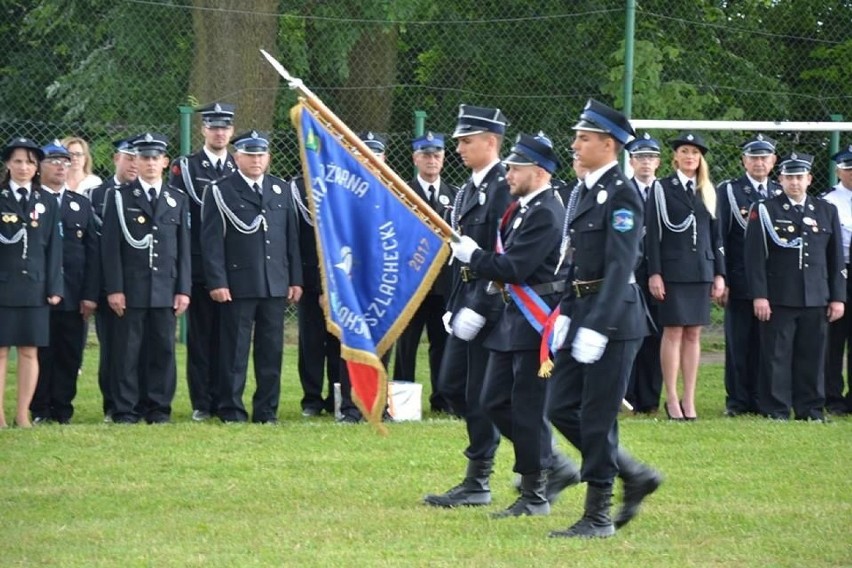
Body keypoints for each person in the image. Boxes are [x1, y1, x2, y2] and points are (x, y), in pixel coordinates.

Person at [546, 99, 662, 539]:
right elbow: (576, 263)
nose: (575, 145)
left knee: (596, 417)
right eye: (577, 137)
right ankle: (634, 473)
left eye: (584, 138)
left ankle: (597, 515)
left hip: (614, 320)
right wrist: (567, 314)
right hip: (582, 312)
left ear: (609, 144)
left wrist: (598, 324)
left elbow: (621, 264)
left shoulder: (622, 192)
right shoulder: (587, 190)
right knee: (559, 405)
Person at [450, 132, 580, 517]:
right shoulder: (521, 209)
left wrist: (475, 256)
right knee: (493, 401)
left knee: (527, 408)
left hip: (535, 320)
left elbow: (516, 268)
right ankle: (551, 464)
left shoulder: (546, 212)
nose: (507, 173)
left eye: (515, 167)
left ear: (538, 172)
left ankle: (535, 492)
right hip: (513, 319)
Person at [423, 104, 510, 507]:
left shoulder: (504, 186)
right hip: (466, 298)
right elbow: (462, 253)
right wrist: (456, 301)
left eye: (466, 141)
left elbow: (504, 254)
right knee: (453, 386)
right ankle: (485, 473)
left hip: (493, 305)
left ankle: (484, 477)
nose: (458, 148)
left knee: (481, 393)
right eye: (458, 141)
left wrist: (482, 303)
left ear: (491, 142)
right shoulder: (467, 189)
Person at [201, 130, 302, 424]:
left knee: (271, 352)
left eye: (261, 155)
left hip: (274, 283)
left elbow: (290, 238)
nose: (256, 160)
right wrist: (218, 281)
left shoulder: (280, 189)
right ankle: (231, 409)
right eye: (250, 154)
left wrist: (294, 279)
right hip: (238, 283)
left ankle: (267, 411)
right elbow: (211, 243)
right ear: (237, 158)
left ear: (268, 157)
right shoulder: (221, 190)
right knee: (234, 351)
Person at [745, 153, 845, 421]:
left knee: (812, 357)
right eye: (789, 177)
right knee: (776, 356)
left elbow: (835, 260)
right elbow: (754, 259)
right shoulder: (765, 209)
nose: (795, 182)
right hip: (779, 296)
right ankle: (776, 408)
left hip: (816, 296)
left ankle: (810, 409)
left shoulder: (826, 210)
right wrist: (760, 296)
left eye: (800, 177)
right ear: (781, 179)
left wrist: (837, 298)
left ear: (809, 179)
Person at [101, 133, 191, 424]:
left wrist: (183, 289)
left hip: (166, 286)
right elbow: (111, 248)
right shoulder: (119, 197)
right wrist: (114, 288)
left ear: (165, 162)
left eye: (155, 158)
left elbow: (183, 249)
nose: (150, 163)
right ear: (135, 161)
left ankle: (158, 408)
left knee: (163, 350)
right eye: (144, 157)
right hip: (132, 286)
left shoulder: (176, 198)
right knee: (127, 351)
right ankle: (125, 408)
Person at [646, 131, 725, 421]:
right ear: (675, 157)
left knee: (694, 333)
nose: (689, 156)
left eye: (694, 152)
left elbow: (716, 237)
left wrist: (720, 274)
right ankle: (672, 399)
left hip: (701, 269)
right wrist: (655, 272)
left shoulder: (707, 189)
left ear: (700, 158)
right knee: (674, 331)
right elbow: (652, 235)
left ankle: (689, 400)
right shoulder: (661, 188)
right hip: (673, 270)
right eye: (684, 151)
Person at [168, 102, 237, 422]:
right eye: (214, 127)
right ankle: (202, 401)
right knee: (201, 336)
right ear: (203, 130)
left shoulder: (240, 165)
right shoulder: (186, 167)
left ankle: (227, 398)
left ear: (232, 131)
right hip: (199, 266)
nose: (219, 132)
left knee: (231, 339)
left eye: (225, 127)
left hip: (236, 266)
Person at [30, 141, 98, 424]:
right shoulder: (31, 201)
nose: (60, 166)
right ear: (39, 167)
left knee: (70, 354)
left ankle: (63, 408)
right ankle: (40, 409)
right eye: (53, 161)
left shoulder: (79, 204)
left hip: (73, 293)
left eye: (65, 161)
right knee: (41, 353)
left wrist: (90, 295)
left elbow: (92, 253)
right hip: (38, 293)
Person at [392, 131, 457, 414]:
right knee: (406, 344)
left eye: (437, 155)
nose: (432, 160)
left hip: (443, 282)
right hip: (412, 282)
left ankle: (442, 399)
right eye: (426, 155)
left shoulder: (455, 194)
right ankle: (403, 401)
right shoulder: (402, 193)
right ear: (415, 158)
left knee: (442, 343)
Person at [0, 137, 63, 428]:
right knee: (0, 351)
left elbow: (54, 248)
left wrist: (54, 287)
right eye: (17, 161)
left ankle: (22, 413)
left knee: (29, 350)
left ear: (36, 166)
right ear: (8, 165)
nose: (23, 167)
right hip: (4, 285)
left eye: (29, 161)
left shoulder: (47, 201)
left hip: (35, 286)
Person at [716, 134, 780, 417]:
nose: (759, 162)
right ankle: (738, 401)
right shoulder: (730, 191)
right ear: (744, 160)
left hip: (775, 284)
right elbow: (721, 237)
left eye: (764, 157)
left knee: (767, 345)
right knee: (739, 343)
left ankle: (762, 398)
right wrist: (723, 278)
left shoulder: (780, 190)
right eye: (753, 157)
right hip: (740, 280)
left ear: (773, 161)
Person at [335, 130, 391, 423]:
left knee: (384, 341)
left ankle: (381, 406)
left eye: (374, 154)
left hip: (386, 280)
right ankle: (350, 407)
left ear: (383, 159)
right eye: (361, 154)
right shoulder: (341, 196)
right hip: (352, 281)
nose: (368, 159)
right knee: (352, 343)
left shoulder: (395, 194)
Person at [87, 137, 139, 420]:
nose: (134, 163)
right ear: (115, 159)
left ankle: (138, 402)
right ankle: (112, 403)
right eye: (128, 157)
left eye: (137, 158)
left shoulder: (145, 194)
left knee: (139, 350)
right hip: (109, 284)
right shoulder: (98, 195)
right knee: (112, 350)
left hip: (142, 285)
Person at [291, 173, 341, 417]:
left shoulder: (343, 182)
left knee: (338, 343)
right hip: (308, 280)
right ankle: (311, 399)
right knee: (310, 343)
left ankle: (336, 396)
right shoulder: (296, 187)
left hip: (341, 280)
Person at [624, 133, 663, 415]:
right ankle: (627, 396)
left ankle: (649, 399)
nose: (645, 163)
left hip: (660, 272)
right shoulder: (622, 191)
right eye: (640, 158)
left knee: (656, 335)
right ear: (631, 161)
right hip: (630, 272)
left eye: (650, 157)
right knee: (629, 335)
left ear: (658, 162)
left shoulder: (666, 192)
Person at [820, 145, 852, 416]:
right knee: (833, 339)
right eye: (849, 168)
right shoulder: (828, 201)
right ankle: (832, 396)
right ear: (839, 170)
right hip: (840, 271)